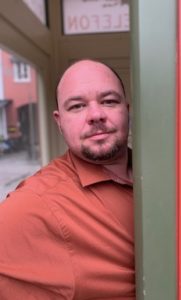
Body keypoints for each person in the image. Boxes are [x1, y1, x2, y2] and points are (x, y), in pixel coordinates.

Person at [0, 59, 135, 299]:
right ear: (59, 121)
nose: (96, 115)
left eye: (109, 101)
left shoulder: (165, 174)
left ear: (127, 109)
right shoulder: (36, 203)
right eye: (77, 106)